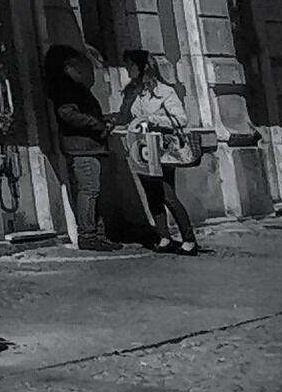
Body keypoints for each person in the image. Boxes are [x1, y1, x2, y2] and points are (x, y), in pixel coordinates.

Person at [111, 49, 207, 254]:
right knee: (151, 194)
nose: (127, 69)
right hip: (140, 149)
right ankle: (164, 236)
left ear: (142, 66)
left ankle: (189, 239)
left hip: (163, 149)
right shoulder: (132, 91)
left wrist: (151, 119)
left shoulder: (164, 91)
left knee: (167, 194)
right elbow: (125, 117)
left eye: (131, 65)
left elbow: (180, 119)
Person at [45, 45, 117, 247]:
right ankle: (88, 235)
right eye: (74, 64)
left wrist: (102, 120)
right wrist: (96, 123)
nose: (80, 69)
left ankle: (98, 233)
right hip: (81, 146)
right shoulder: (66, 88)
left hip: (88, 145)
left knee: (93, 190)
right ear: (65, 66)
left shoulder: (71, 86)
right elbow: (68, 114)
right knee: (89, 189)